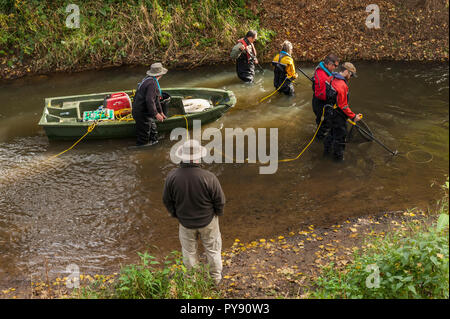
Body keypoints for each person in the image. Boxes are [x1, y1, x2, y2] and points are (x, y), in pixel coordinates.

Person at [162, 139, 226, 285]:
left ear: (182, 157)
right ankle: (215, 280)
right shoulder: (209, 177)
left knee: (189, 253)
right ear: (198, 157)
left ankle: (192, 281)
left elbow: (167, 200)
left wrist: (175, 214)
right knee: (213, 250)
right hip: (208, 221)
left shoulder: (172, 177)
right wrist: (217, 214)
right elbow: (220, 201)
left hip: (185, 222)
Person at [323, 62, 362, 162]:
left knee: (331, 133)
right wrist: (354, 117)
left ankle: (325, 153)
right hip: (338, 116)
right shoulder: (342, 86)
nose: (351, 77)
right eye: (351, 74)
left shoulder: (330, 78)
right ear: (346, 71)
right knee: (340, 138)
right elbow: (343, 106)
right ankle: (338, 161)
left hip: (328, 113)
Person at [131, 62, 168, 147]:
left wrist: (160, 112)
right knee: (144, 137)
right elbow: (149, 100)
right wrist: (156, 114)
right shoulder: (152, 84)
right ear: (160, 75)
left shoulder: (149, 79)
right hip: (141, 113)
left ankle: (154, 145)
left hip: (146, 112)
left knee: (153, 132)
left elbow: (156, 99)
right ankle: (141, 150)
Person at [312, 53, 340, 140]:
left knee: (323, 123)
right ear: (329, 64)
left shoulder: (324, 70)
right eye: (335, 66)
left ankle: (320, 134)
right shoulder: (322, 76)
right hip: (321, 104)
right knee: (325, 124)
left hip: (320, 102)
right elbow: (321, 95)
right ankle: (318, 140)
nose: (335, 68)